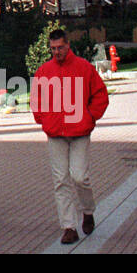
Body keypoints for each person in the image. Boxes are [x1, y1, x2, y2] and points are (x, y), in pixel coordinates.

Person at [31, 27, 109, 245]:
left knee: (79, 177)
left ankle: (87, 210)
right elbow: (36, 99)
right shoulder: (44, 71)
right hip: (55, 133)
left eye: (61, 47)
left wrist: (90, 117)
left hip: (79, 132)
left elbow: (100, 95)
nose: (57, 52)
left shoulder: (84, 68)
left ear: (68, 46)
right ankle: (69, 226)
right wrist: (43, 119)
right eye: (53, 48)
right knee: (60, 180)